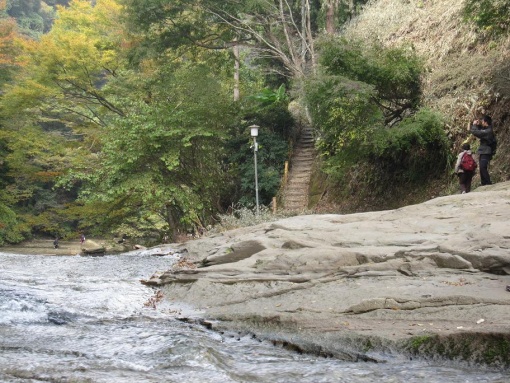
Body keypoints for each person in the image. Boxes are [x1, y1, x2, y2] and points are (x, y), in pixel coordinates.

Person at [470, 115, 496, 185]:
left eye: (482, 121)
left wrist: (474, 125)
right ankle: (484, 183)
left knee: (483, 166)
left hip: (486, 151)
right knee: (481, 168)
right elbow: (481, 131)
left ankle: (487, 182)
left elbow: (477, 132)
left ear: (485, 122)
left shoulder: (488, 131)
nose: (481, 122)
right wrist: (478, 126)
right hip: (484, 150)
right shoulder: (488, 129)